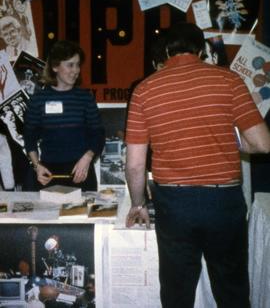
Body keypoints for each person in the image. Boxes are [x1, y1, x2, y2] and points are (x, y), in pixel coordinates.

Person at [125, 22, 270, 308]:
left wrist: (138, 204)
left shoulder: (145, 90)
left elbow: (135, 166)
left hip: (174, 204)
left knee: (177, 293)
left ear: (166, 51)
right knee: (232, 291)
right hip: (223, 202)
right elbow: (263, 143)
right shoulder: (228, 81)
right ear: (201, 49)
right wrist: (229, 141)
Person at [23, 40, 105, 191]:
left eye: (78, 64)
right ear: (55, 67)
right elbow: (29, 137)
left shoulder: (85, 98)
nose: (76, 70)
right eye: (70, 64)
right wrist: (37, 166)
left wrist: (87, 158)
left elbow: (98, 134)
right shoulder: (38, 99)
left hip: (81, 172)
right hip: (48, 175)